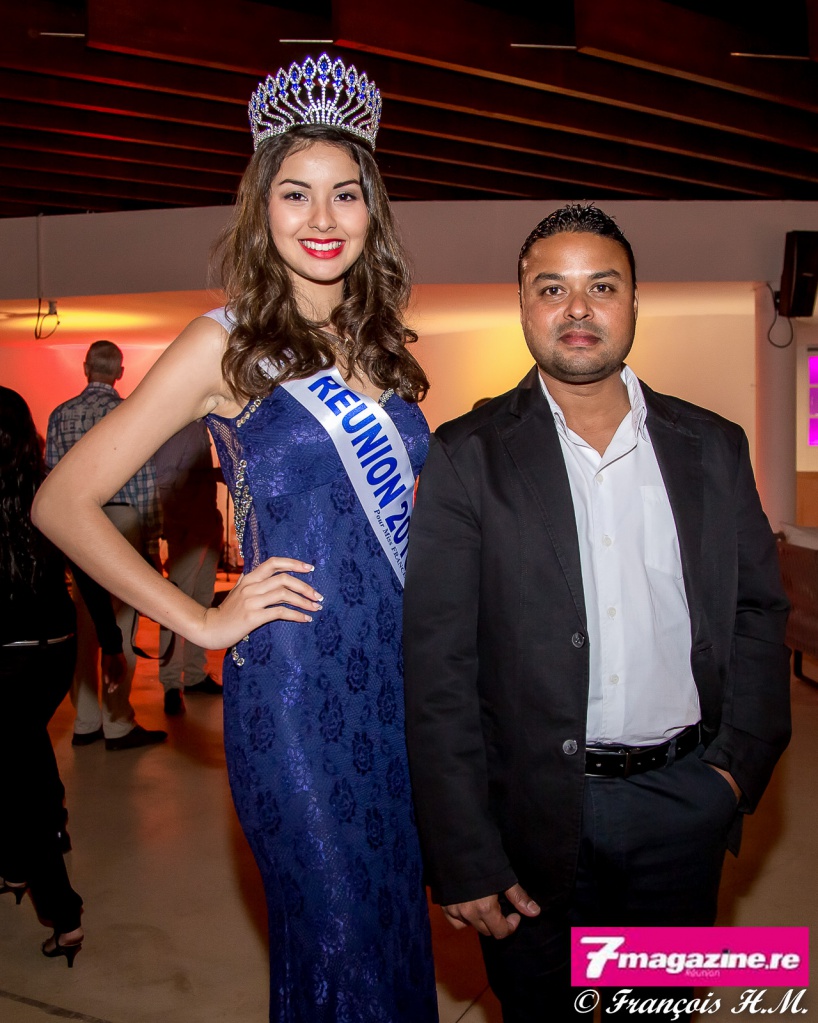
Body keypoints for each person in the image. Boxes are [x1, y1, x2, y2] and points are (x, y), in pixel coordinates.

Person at [33, 53, 438, 1022]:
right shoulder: (223, 341)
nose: (321, 217)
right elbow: (62, 503)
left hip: (396, 682)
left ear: (372, 211)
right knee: (338, 939)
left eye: (345, 193)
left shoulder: (384, 345)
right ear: (262, 208)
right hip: (295, 687)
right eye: (295, 193)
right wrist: (202, 621)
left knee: (393, 931)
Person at [402, 204, 792, 1021]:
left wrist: (732, 772)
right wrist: (465, 851)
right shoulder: (467, 455)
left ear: (634, 302)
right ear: (523, 304)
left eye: (602, 287)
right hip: (532, 821)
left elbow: (757, 611)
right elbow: (438, 667)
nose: (577, 308)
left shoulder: (713, 447)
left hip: (682, 805)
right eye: (553, 288)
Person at [0, 386, 105, 966]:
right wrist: (111, 640)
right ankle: (22, 859)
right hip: (55, 654)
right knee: (25, 753)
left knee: (17, 781)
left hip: (9, 658)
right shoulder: (47, 486)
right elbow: (87, 562)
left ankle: (63, 915)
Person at [46, 340, 167, 751]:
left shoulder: (60, 414)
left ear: (85, 367)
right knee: (121, 621)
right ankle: (117, 722)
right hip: (121, 519)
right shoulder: (129, 413)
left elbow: (52, 477)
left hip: (76, 523)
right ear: (119, 372)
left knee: (85, 621)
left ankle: (85, 722)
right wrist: (152, 543)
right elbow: (145, 481)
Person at [153, 420, 224, 715]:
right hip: (188, 524)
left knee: (201, 601)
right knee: (176, 604)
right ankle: (171, 683)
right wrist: (211, 475)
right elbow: (164, 476)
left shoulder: (199, 425)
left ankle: (194, 675)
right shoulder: (184, 426)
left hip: (205, 520)